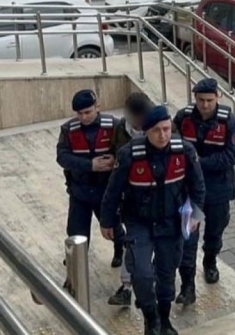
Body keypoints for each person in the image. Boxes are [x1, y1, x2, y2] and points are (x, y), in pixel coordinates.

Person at [100, 106, 205, 335]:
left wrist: (195, 216)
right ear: (146, 131)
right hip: (140, 223)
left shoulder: (184, 151)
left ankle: (164, 320)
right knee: (142, 273)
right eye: (156, 130)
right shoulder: (129, 155)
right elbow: (113, 191)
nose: (163, 135)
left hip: (171, 223)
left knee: (167, 275)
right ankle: (150, 317)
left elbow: (198, 187)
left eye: (166, 129)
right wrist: (107, 222)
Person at [173, 78, 235, 306]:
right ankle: (187, 286)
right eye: (201, 100)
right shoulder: (183, 118)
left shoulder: (229, 121)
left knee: (215, 230)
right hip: (189, 190)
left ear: (217, 97)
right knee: (188, 237)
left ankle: (210, 260)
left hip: (217, 188)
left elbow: (232, 155)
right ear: (195, 98)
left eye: (209, 100)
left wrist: (197, 163)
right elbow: (173, 147)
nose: (205, 105)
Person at [56, 89, 123, 268]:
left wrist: (115, 159)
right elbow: (62, 157)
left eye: (88, 112)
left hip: (106, 190)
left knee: (113, 226)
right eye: (79, 113)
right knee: (76, 231)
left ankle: (119, 249)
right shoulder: (68, 130)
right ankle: (75, 262)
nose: (84, 117)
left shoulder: (114, 125)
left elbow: (126, 149)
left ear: (97, 107)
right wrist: (89, 165)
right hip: (80, 189)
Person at [107, 92, 153, 307]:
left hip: (160, 201)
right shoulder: (120, 130)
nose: (139, 122)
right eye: (135, 117)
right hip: (133, 200)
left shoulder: (161, 128)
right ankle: (126, 287)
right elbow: (114, 154)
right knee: (134, 245)